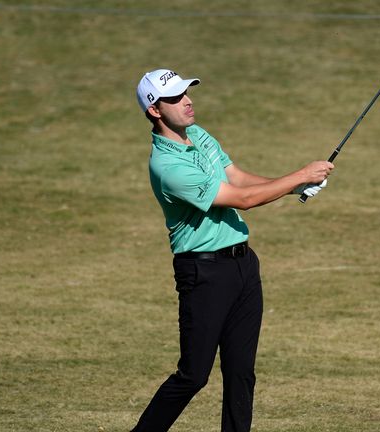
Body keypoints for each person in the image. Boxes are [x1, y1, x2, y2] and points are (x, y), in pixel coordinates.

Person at [130, 68, 333, 432]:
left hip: (243, 266)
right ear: (155, 110)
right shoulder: (167, 166)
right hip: (204, 274)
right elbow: (241, 199)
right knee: (193, 376)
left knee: (241, 373)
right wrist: (300, 175)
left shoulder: (199, 135)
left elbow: (238, 178)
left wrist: (290, 186)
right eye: (175, 98)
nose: (188, 101)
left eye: (186, 92)